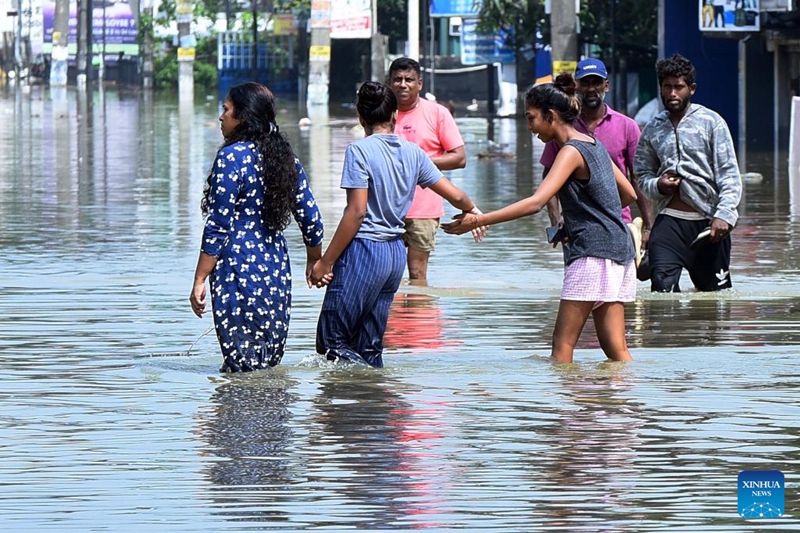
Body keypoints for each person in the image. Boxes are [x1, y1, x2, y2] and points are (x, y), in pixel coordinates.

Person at [443, 73, 637, 364]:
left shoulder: (570, 151)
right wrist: (592, 215)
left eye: (531, 118)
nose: (529, 126)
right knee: (617, 351)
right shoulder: (594, 144)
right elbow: (629, 194)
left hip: (592, 254)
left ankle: (565, 410)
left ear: (551, 115)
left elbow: (536, 203)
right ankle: (625, 405)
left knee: (561, 349)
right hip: (619, 251)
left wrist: (478, 220)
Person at [309, 81, 481, 368]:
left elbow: (356, 213)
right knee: (370, 346)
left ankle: (353, 402)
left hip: (364, 250)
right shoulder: (414, 153)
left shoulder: (359, 151)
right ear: (395, 116)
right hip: (393, 255)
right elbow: (457, 196)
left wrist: (326, 262)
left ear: (360, 117)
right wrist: (475, 212)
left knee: (331, 343)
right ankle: (375, 404)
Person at [190, 82, 324, 372]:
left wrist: (200, 279)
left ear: (243, 117)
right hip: (276, 271)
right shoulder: (286, 159)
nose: (221, 117)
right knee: (265, 364)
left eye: (226, 110)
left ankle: (234, 415)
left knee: (241, 366)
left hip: (236, 270)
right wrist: (315, 259)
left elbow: (218, 225)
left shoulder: (231, 157)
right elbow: (311, 218)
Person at [633, 53, 742, 292]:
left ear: (691, 89)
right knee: (662, 290)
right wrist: (658, 186)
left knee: (716, 299)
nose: (672, 93)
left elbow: (730, 176)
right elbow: (641, 175)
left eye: (678, 87)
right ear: (660, 88)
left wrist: (724, 215)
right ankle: (670, 330)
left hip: (709, 226)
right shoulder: (653, 129)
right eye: (667, 87)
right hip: (669, 223)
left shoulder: (712, 122)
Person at [542, 58, 654, 257]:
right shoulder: (562, 127)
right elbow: (549, 179)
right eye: (585, 83)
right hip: (576, 227)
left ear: (606, 86)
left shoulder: (627, 126)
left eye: (596, 82)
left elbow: (637, 179)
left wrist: (649, 227)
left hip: (617, 224)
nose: (591, 89)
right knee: (578, 283)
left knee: (616, 283)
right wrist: (556, 219)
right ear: (576, 86)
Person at [387, 57, 469, 283]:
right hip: (385, 208)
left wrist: (418, 163)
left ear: (419, 84)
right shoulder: (382, 114)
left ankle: (419, 317)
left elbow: (459, 158)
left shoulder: (437, 113)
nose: (403, 85)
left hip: (423, 208)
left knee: (416, 274)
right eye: (397, 79)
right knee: (384, 274)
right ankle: (392, 319)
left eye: (409, 80)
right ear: (389, 83)